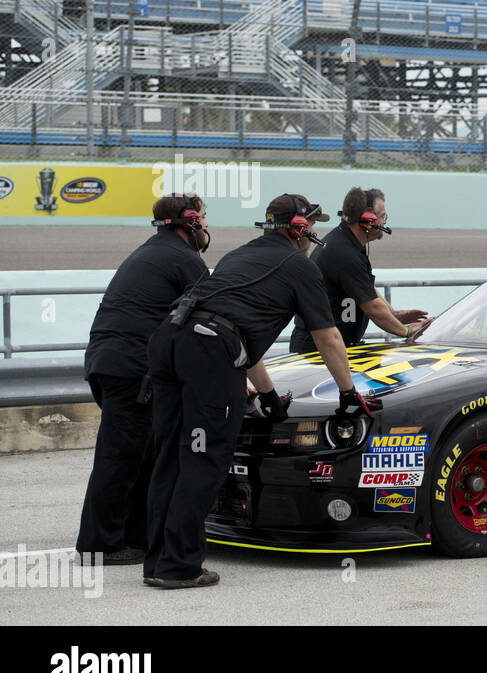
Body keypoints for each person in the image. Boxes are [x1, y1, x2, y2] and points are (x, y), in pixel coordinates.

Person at [143, 193, 381, 589]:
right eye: (311, 224)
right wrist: (348, 392)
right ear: (298, 229)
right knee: (203, 461)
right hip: (208, 349)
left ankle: (157, 563)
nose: (314, 232)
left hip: (170, 340)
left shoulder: (240, 255)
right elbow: (328, 337)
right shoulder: (299, 266)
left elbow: (240, 338)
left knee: (171, 457)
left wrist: (268, 396)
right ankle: (179, 567)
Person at [77, 194, 210, 565]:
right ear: (191, 222)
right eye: (202, 217)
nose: (205, 225)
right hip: (132, 369)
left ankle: (132, 538)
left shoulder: (150, 251)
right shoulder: (186, 260)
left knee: (142, 455)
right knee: (120, 458)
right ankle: (98, 546)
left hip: (108, 362)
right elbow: (211, 319)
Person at [287, 187, 427, 353]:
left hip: (329, 345)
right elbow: (372, 307)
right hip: (318, 349)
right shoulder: (344, 253)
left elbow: (367, 288)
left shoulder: (346, 243)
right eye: (382, 217)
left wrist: (394, 315)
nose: (384, 222)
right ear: (367, 221)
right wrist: (407, 331)